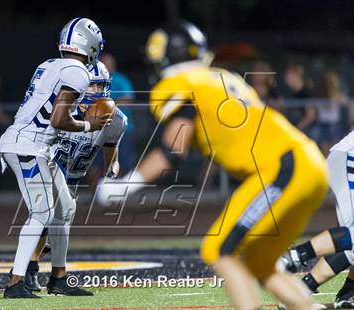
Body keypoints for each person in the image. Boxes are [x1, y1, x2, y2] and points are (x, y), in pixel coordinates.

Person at [96, 21, 328, 309]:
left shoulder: (179, 84)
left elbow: (174, 149)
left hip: (281, 167)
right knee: (260, 265)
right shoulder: (221, 76)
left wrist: (123, 187)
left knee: (218, 250)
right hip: (306, 163)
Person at [0, 17, 110, 298]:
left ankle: (58, 277)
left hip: (37, 146)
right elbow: (60, 118)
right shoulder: (78, 71)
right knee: (42, 212)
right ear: (91, 43)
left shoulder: (49, 64)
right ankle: (15, 281)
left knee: (65, 209)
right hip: (27, 146)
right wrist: (88, 125)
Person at [19, 61, 127, 292]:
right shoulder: (62, 113)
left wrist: (111, 169)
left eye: (100, 87)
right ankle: (32, 272)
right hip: (50, 166)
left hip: (74, 176)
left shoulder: (116, 120)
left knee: (56, 229)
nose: (96, 92)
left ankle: (36, 269)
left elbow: (111, 149)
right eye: (92, 86)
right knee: (48, 219)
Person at [280, 128, 354, 308]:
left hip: (346, 160)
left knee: (351, 241)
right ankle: (291, 259)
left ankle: (345, 292)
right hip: (349, 158)